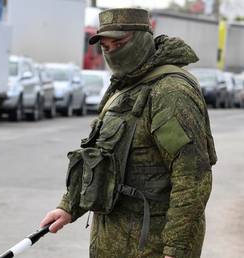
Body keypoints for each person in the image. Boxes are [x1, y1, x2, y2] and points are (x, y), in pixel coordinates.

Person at [40, 8, 216, 258]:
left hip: (152, 247)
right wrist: (69, 206)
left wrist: (176, 250)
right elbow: (100, 158)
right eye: (106, 46)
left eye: (120, 43)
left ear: (143, 38)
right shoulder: (125, 87)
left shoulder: (169, 92)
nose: (112, 52)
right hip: (112, 242)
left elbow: (192, 177)